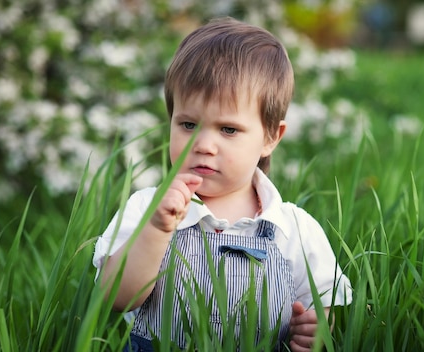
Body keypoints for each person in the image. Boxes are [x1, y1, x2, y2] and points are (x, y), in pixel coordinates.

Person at [92, 17, 353, 351]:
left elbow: (325, 302)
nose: (204, 144)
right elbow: (116, 297)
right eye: (187, 124)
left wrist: (318, 328)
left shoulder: (293, 229)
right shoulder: (148, 208)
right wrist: (156, 230)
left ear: (270, 137)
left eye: (228, 130)